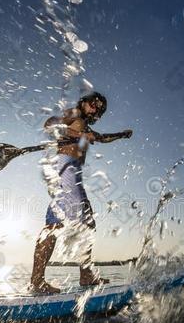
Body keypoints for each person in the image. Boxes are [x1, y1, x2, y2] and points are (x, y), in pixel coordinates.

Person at [30, 92, 133, 293]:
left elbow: (101, 138)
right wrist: (79, 136)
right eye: (94, 104)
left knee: (75, 223)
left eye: (100, 108)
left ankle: (80, 275)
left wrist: (121, 135)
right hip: (64, 168)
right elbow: (50, 124)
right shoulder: (74, 114)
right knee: (65, 223)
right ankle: (41, 280)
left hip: (70, 172)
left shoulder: (84, 125)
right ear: (85, 102)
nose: (96, 109)